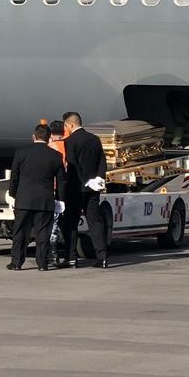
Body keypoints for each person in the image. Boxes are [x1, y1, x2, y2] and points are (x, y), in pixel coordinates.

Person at [6, 123, 67, 271]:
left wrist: (13, 194)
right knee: (43, 233)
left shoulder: (21, 153)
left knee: (20, 232)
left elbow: (15, 176)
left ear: (33, 136)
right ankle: (42, 263)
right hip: (45, 200)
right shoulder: (56, 156)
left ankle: (16, 262)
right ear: (49, 139)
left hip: (24, 199)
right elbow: (61, 181)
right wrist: (60, 199)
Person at [61, 111, 109, 268]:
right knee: (95, 222)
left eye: (65, 126)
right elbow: (102, 160)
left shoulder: (69, 141)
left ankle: (71, 258)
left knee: (71, 223)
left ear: (71, 125)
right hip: (93, 188)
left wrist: (85, 182)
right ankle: (102, 257)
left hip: (76, 188)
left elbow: (72, 165)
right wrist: (99, 178)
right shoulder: (94, 139)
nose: (65, 129)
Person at [47, 119, 68, 266]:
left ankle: (52, 254)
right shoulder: (69, 146)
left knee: (51, 225)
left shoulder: (50, 148)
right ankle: (66, 253)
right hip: (67, 188)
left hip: (51, 188)